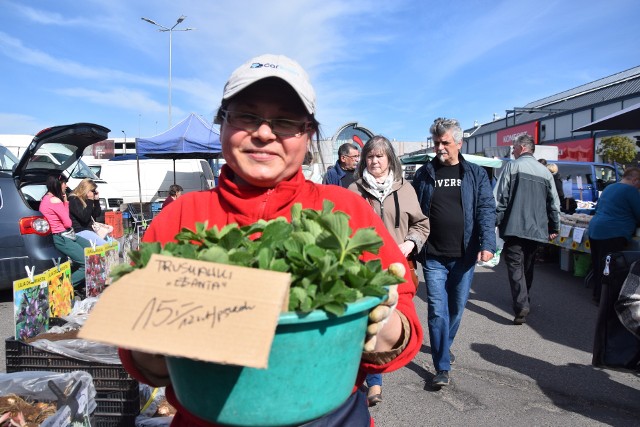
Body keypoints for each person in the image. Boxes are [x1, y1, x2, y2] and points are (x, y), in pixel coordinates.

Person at [117, 53, 423, 426]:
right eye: (247, 115)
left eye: (285, 122)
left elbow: (403, 327)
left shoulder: (347, 209)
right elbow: (143, 364)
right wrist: (149, 344)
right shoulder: (180, 216)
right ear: (223, 123)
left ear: (308, 133)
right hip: (209, 415)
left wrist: (388, 326)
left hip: (328, 414)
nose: (264, 132)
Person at [412, 118, 496, 388]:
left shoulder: (474, 173)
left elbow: (485, 208)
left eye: (445, 143)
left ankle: (444, 346)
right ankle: (442, 366)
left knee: (456, 309)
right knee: (437, 310)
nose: (440, 147)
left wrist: (487, 244)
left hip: (464, 255)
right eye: (436, 143)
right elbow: (414, 212)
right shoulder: (424, 173)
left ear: (459, 143)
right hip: (434, 255)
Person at [348, 135, 430, 406]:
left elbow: (421, 224)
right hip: (364, 269)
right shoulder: (353, 190)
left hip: (399, 267)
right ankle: (374, 383)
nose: (374, 161)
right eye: (370, 157)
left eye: (379, 156)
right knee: (371, 319)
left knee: (390, 320)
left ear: (389, 159)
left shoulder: (406, 189)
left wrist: (410, 243)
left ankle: (373, 377)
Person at [494, 134, 560, 325]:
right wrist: (554, 226)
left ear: (522, 148)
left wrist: (494, 222)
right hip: (537, 229)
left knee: (515, 266)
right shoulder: (545, 172)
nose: (512, 151)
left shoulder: (512, 167)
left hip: (514, 227)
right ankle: (525, 297)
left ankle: (521, 303)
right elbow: (554, 204)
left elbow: (499, 198)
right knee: (528, 264)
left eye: (513, 147)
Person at [588, 167, 640, 304]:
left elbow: (597, 208)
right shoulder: (631, 191)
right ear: (635, 180)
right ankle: (605, 299)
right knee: (611, 268)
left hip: (595, 229)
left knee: (599, 266)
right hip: (613, 232)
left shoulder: (609, 188)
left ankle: (597, 295)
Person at [39, 173, 92, 294]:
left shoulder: (46, 198)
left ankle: (74, 282)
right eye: (64, 183)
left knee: (91, 250)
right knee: (86, 262)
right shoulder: (55, 200)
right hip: (62, 236)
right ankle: (62, 289)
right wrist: (65, 202)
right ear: (58, 185)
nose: (66, 186)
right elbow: (68, 223)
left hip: (64, 235)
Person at [68, 178, 111, 245]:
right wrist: (90, 200)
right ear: (86, 190)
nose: (94, 193)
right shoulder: (73, 200)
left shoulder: (86, 200)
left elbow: (97, 214)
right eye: (92, 191)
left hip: (90, 230)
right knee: (106, 246)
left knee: (116, 244)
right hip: (80, 231)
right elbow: (84, 218)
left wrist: (96, 200)